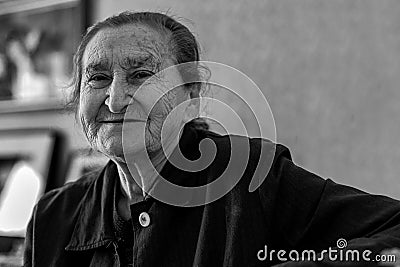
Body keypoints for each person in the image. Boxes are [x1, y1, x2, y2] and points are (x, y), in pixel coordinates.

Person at [23, 11, 400, 267]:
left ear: (190, 95)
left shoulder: (251, 178)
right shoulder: (53, 216)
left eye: (141, 75)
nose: (116, 98)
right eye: (98, 78)